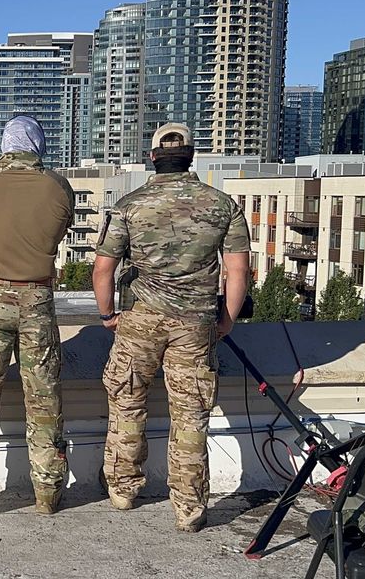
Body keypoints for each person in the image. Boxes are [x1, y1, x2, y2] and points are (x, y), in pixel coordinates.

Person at [92, 122, 251, 533]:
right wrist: (227, 320)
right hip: (196, 323)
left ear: (151, 158)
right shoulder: (222, 205)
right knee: (191, 414)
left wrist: (108, 314)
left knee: (127, 402)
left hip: (140, 317)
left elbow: (103, 270)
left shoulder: (129, 206)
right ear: (192, 157)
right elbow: (238, 271)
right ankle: (189, 507)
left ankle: (124, 489)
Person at [0, 116, 75, 517]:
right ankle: (47, 493)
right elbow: (60, 229)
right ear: (38, 144)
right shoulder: (59, 186)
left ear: (5, 143)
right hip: (38, 299)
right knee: (44, 400)